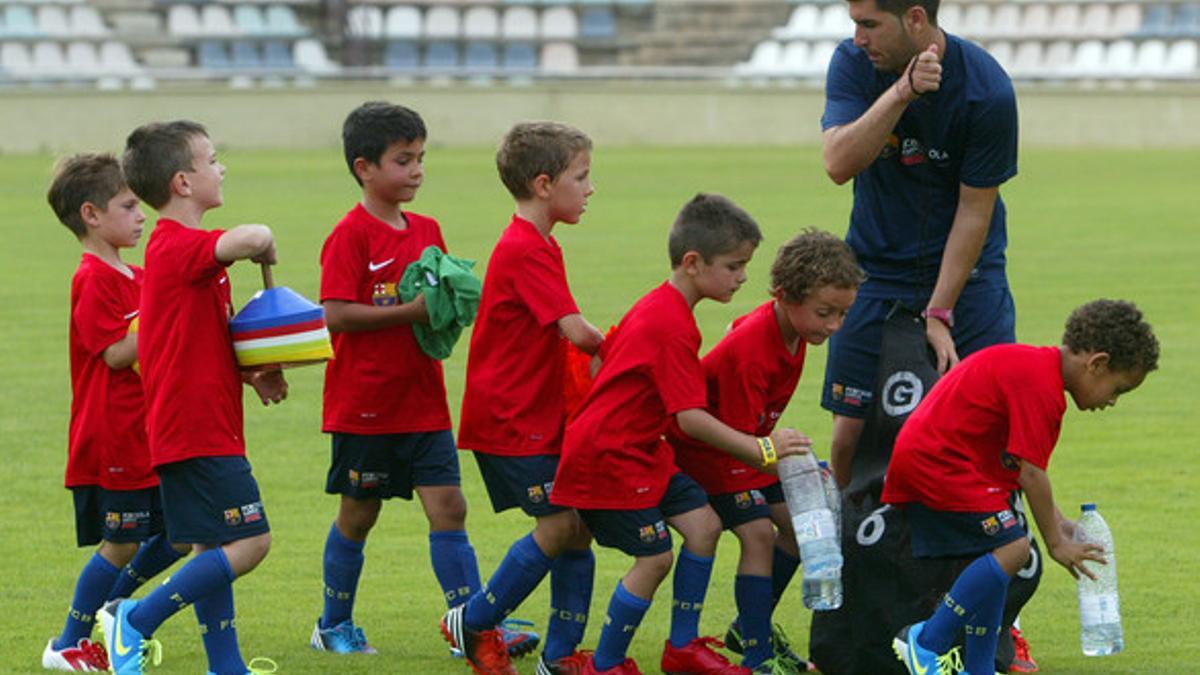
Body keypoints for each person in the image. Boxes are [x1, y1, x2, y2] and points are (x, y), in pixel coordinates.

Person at [551, 194, 812, 675]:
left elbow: (603, 360)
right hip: (611, 459)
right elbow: (690, 418)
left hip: (643, 451)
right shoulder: (671, 324)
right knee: (654, 558)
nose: (742, 278)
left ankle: (682, 648)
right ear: (693, 263)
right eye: (734, 266)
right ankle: (605, 664)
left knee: (704, 526)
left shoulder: (663, 307)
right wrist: (763, 449)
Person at [314, 101, 534, 658]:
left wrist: (454, 302)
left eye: (420, 158)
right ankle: (333, 623)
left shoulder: (428, 228)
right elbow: (335, 314)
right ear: (365, 168)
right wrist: (411, 312)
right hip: (365, 406)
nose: (416, 171)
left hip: (423, 401)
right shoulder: (350, 235)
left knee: (450, 506)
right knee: (359, 514)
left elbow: (434, 297)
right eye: (402, 160)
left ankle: (471, 624)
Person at [99, 120, 288, 675]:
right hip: (195, 426)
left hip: (200, 421)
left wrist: (255, 377)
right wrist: (266, 241)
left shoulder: (189, 255)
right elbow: (252, 238)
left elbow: (198, 339)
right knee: (252, 542)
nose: (221, 167)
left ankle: (225, 666)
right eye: (212, 159)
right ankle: (132, 618)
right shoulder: (178, 246)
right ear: (183, 182)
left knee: (213, 547)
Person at [885, 299, 1158, 675]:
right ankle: (926, 641)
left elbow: (1017, 466)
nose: (1112, 401)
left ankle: (978, 667)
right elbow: (1031, 474)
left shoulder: (1037, 369)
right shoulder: (1042, 387)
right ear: (1097, 363)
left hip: (951, 462)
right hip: (939, 462)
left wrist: (1057, 519)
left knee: (1001, 549)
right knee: (1014, 548)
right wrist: (1056, 542)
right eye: (1117, 389)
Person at [820, 0, 1019, 491]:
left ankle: (989, 553)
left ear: (914, 19)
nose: (858, 37)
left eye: (869, 24)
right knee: (849, 433)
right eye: (854, 24)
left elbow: (976, 210)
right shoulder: (852, 64)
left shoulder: (986, 89)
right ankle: (852, 549)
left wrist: (940, 311)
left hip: (969, 276)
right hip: (874, 271)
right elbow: (838, 162)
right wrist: (902, 93)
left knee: (991, 428)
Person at [441, 122, 604, 675]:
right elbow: (577, 331)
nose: (590, 188)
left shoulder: (540, 244)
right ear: (542, 184)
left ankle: (560, 658)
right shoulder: (524, 248)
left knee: (578, 525)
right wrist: (633, 353)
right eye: (581, 177)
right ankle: (475, 620)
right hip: (512, 420)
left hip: (537, 413)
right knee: (560, 525)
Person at [668, 229, 863, 674]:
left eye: (843, 314)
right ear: (784, 295)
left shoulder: (793, 331)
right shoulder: (754, 349)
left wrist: (801, 471)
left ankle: (747, 628)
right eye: (824, 313)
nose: (834, 326)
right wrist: (793, 467)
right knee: (757, 535)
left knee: (799, 529)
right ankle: (758, 656)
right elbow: (737, 438)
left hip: (744, 448)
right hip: (708, 452)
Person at [43, 154, 188, 672]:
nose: (142, 214)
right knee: (122, 539)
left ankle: (113, 607)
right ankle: (67, 643)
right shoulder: (93, 279)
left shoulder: (140, 274)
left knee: (180, 533)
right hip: (114, 436)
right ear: (92, 215)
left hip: (153, 433)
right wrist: (163, 315)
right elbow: (116, 354)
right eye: (129, 205)